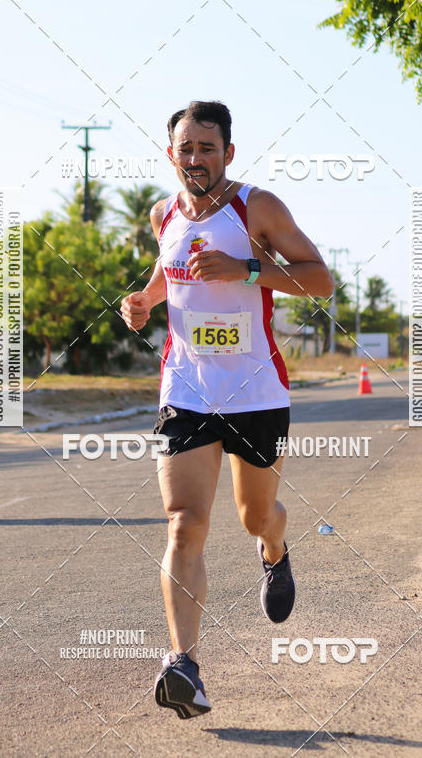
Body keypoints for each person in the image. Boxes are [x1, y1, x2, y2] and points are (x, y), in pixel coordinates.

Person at [121, 100, 333, 719]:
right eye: (185, 148)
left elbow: (320, 279)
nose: (196, 159)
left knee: (254, 515)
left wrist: (248, 268)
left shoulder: (256, 207)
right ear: (171, 155)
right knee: (185, 524)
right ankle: (183, 663)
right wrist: (143, 304)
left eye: (207, 148)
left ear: (228, 154)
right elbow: (168, 280)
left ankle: (275, 549)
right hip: (185, 391)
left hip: (257, 391)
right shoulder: (163, 215)